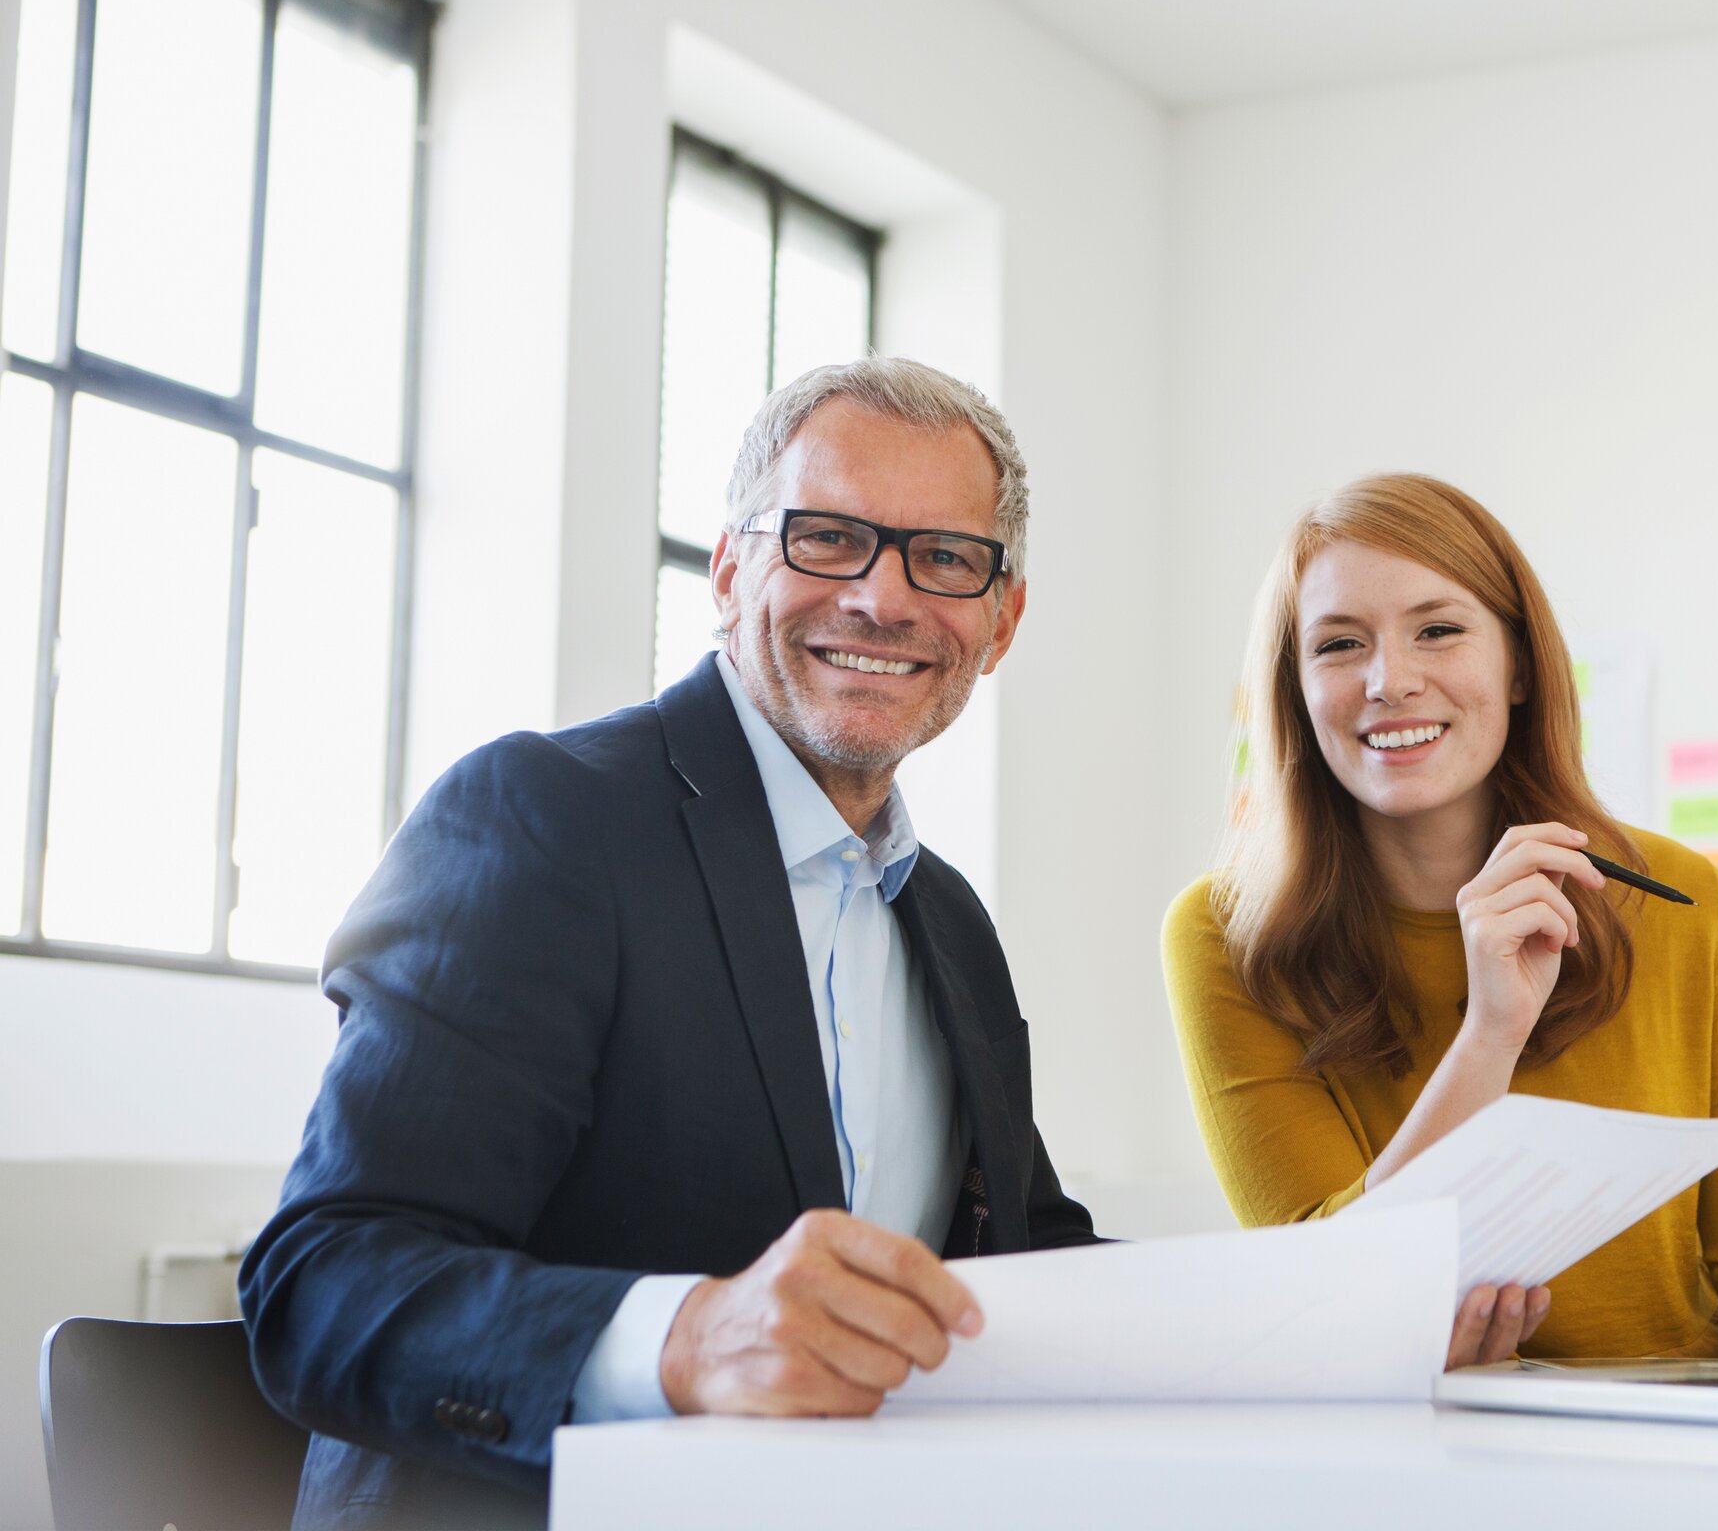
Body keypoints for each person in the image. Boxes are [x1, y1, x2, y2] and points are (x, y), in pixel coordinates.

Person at [242, 357, 1097, 1530]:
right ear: (732, 568)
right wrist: (686, 1336)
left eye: (944, 558)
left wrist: (1342, 1312)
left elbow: (1034, 1260)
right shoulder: (542, 819)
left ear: (999, 621)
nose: (884, 599)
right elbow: (323, 1288)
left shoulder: (949, 922)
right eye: (828, 537)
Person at [1163, 473, 1718, 1372]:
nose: (1389, 680)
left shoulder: (1678, 899)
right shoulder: (1226, 934)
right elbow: (1326, 1290)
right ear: (1296, 688)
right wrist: (1491, 1032)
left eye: (1438, 630)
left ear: (1518, 666)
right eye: (1338, 644)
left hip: (1680, 1451)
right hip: (1410, 1454)